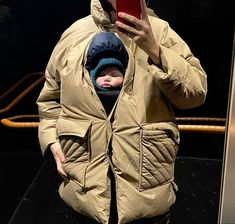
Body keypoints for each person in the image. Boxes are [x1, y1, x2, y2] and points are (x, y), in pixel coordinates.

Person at [36, 0, 207, 223]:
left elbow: (195, 93)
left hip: (147, 187)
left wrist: (155, 50)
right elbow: (50, 99)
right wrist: (51, 141)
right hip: (84, 189)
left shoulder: (160, 31)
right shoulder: (74, 34)